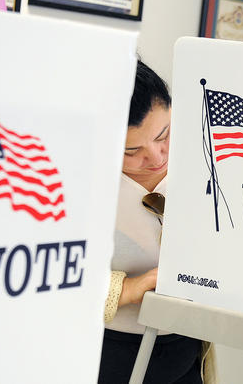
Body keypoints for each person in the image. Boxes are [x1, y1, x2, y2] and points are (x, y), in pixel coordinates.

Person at [99, 59, 216, 384]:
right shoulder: (85, 185)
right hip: (112, 350)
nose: (156, 157)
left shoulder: (206, 163)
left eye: (163, 135)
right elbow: (57, 281)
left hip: (187, 346)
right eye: (132, 150)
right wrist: (128, 288)